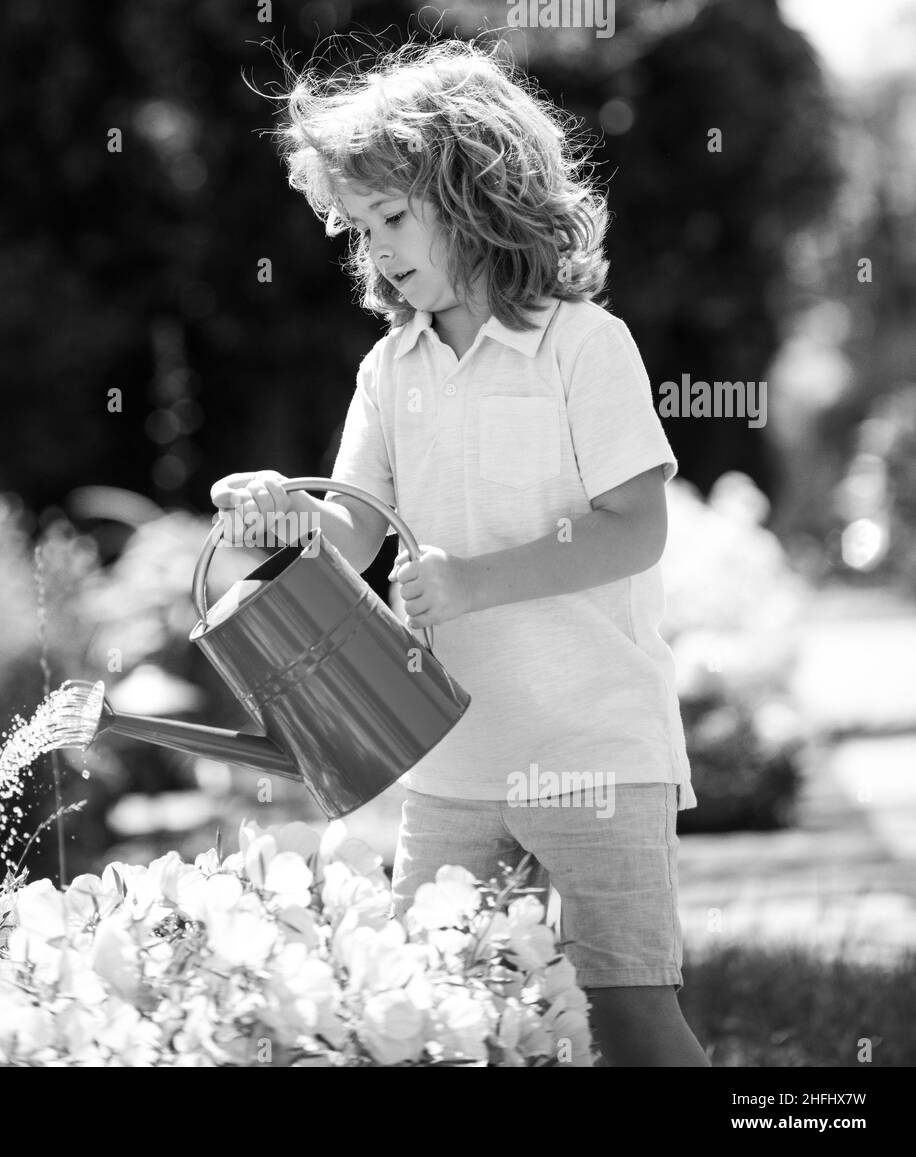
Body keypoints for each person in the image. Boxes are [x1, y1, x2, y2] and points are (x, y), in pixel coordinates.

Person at [211, 39, 710, 1066]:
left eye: (393, 217)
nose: (376, 249)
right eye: (357, 229)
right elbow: (348, 527)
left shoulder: (584, 346)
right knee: (431, 1017)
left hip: (596, 751)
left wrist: (471, 582)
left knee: (630, 1018)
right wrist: (273, 515)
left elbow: (635, 526)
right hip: (454, 758)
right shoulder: (390, 369)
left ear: (475, 191)